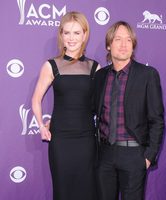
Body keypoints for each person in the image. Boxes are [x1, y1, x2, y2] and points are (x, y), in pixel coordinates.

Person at [32, 11, 100, 200]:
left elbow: (100, 105)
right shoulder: (51, 65)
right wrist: (40, 125)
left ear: (85, 35)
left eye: (77, 33)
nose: (71, 38)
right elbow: (36, 99)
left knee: (88, 190)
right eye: (67, 32)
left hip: (87, 139)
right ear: (61, 35)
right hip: (60, 139)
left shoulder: (95, 68)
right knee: (63, 191)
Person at [93, 21, 165, 200]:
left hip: (134, 155)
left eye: (128, 40)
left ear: (133, 45)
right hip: (105, 155)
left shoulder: (147, 75)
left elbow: (157, 120)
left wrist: (147, 157)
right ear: (109, 45)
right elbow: (90, 111)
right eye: (118, 39)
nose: (124, 44)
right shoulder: (100, 76)